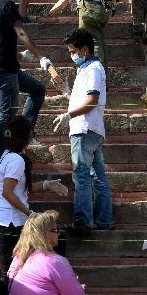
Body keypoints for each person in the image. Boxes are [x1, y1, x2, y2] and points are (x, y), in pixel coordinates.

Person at [0, 116, 68, 295]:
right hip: (10, 224)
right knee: (8, 273)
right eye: (30, 135)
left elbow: (19, 189)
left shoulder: (7, 155)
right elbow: (7, 192)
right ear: (24, 137)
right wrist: (31, 214)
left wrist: (47, 185)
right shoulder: (16, 160)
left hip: (8, 222)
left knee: (11, 272)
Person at [0, 0, 50, 170]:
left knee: (38, 89)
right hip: (5, 71)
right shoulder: (8, 6)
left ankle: (25, 135)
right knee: (6, 115)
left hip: (5, 66)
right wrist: (40, 57)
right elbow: (20, 32)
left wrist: (21, 56)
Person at [53, 28, 114, 232]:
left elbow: (92, 102)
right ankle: (104, 220)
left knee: (81, 176)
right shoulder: (87, 69)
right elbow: (81, 100)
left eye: (73, 51)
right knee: (97, 177)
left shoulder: (94, 69)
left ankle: (83, 221)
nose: (72, 55)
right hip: (90, 129)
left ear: (84, 49)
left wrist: (68, 115)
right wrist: (65, 91)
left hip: (85, 129)